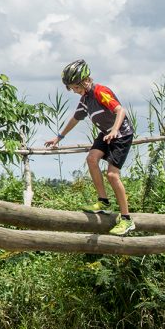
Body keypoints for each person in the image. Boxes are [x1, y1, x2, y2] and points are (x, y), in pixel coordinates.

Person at [44, 59, 135, 236]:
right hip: (106, 134)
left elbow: (120, 111)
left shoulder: (101, 92)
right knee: (91, 159)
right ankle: (104, 202)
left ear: (85, 81)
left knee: (112, 175)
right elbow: (75, 118)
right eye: (72, 89)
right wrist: (59, 137)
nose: (75, 92)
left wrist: (115, 130)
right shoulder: (85, 99)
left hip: (121, 134)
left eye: (76, 88)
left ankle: (126, 219)